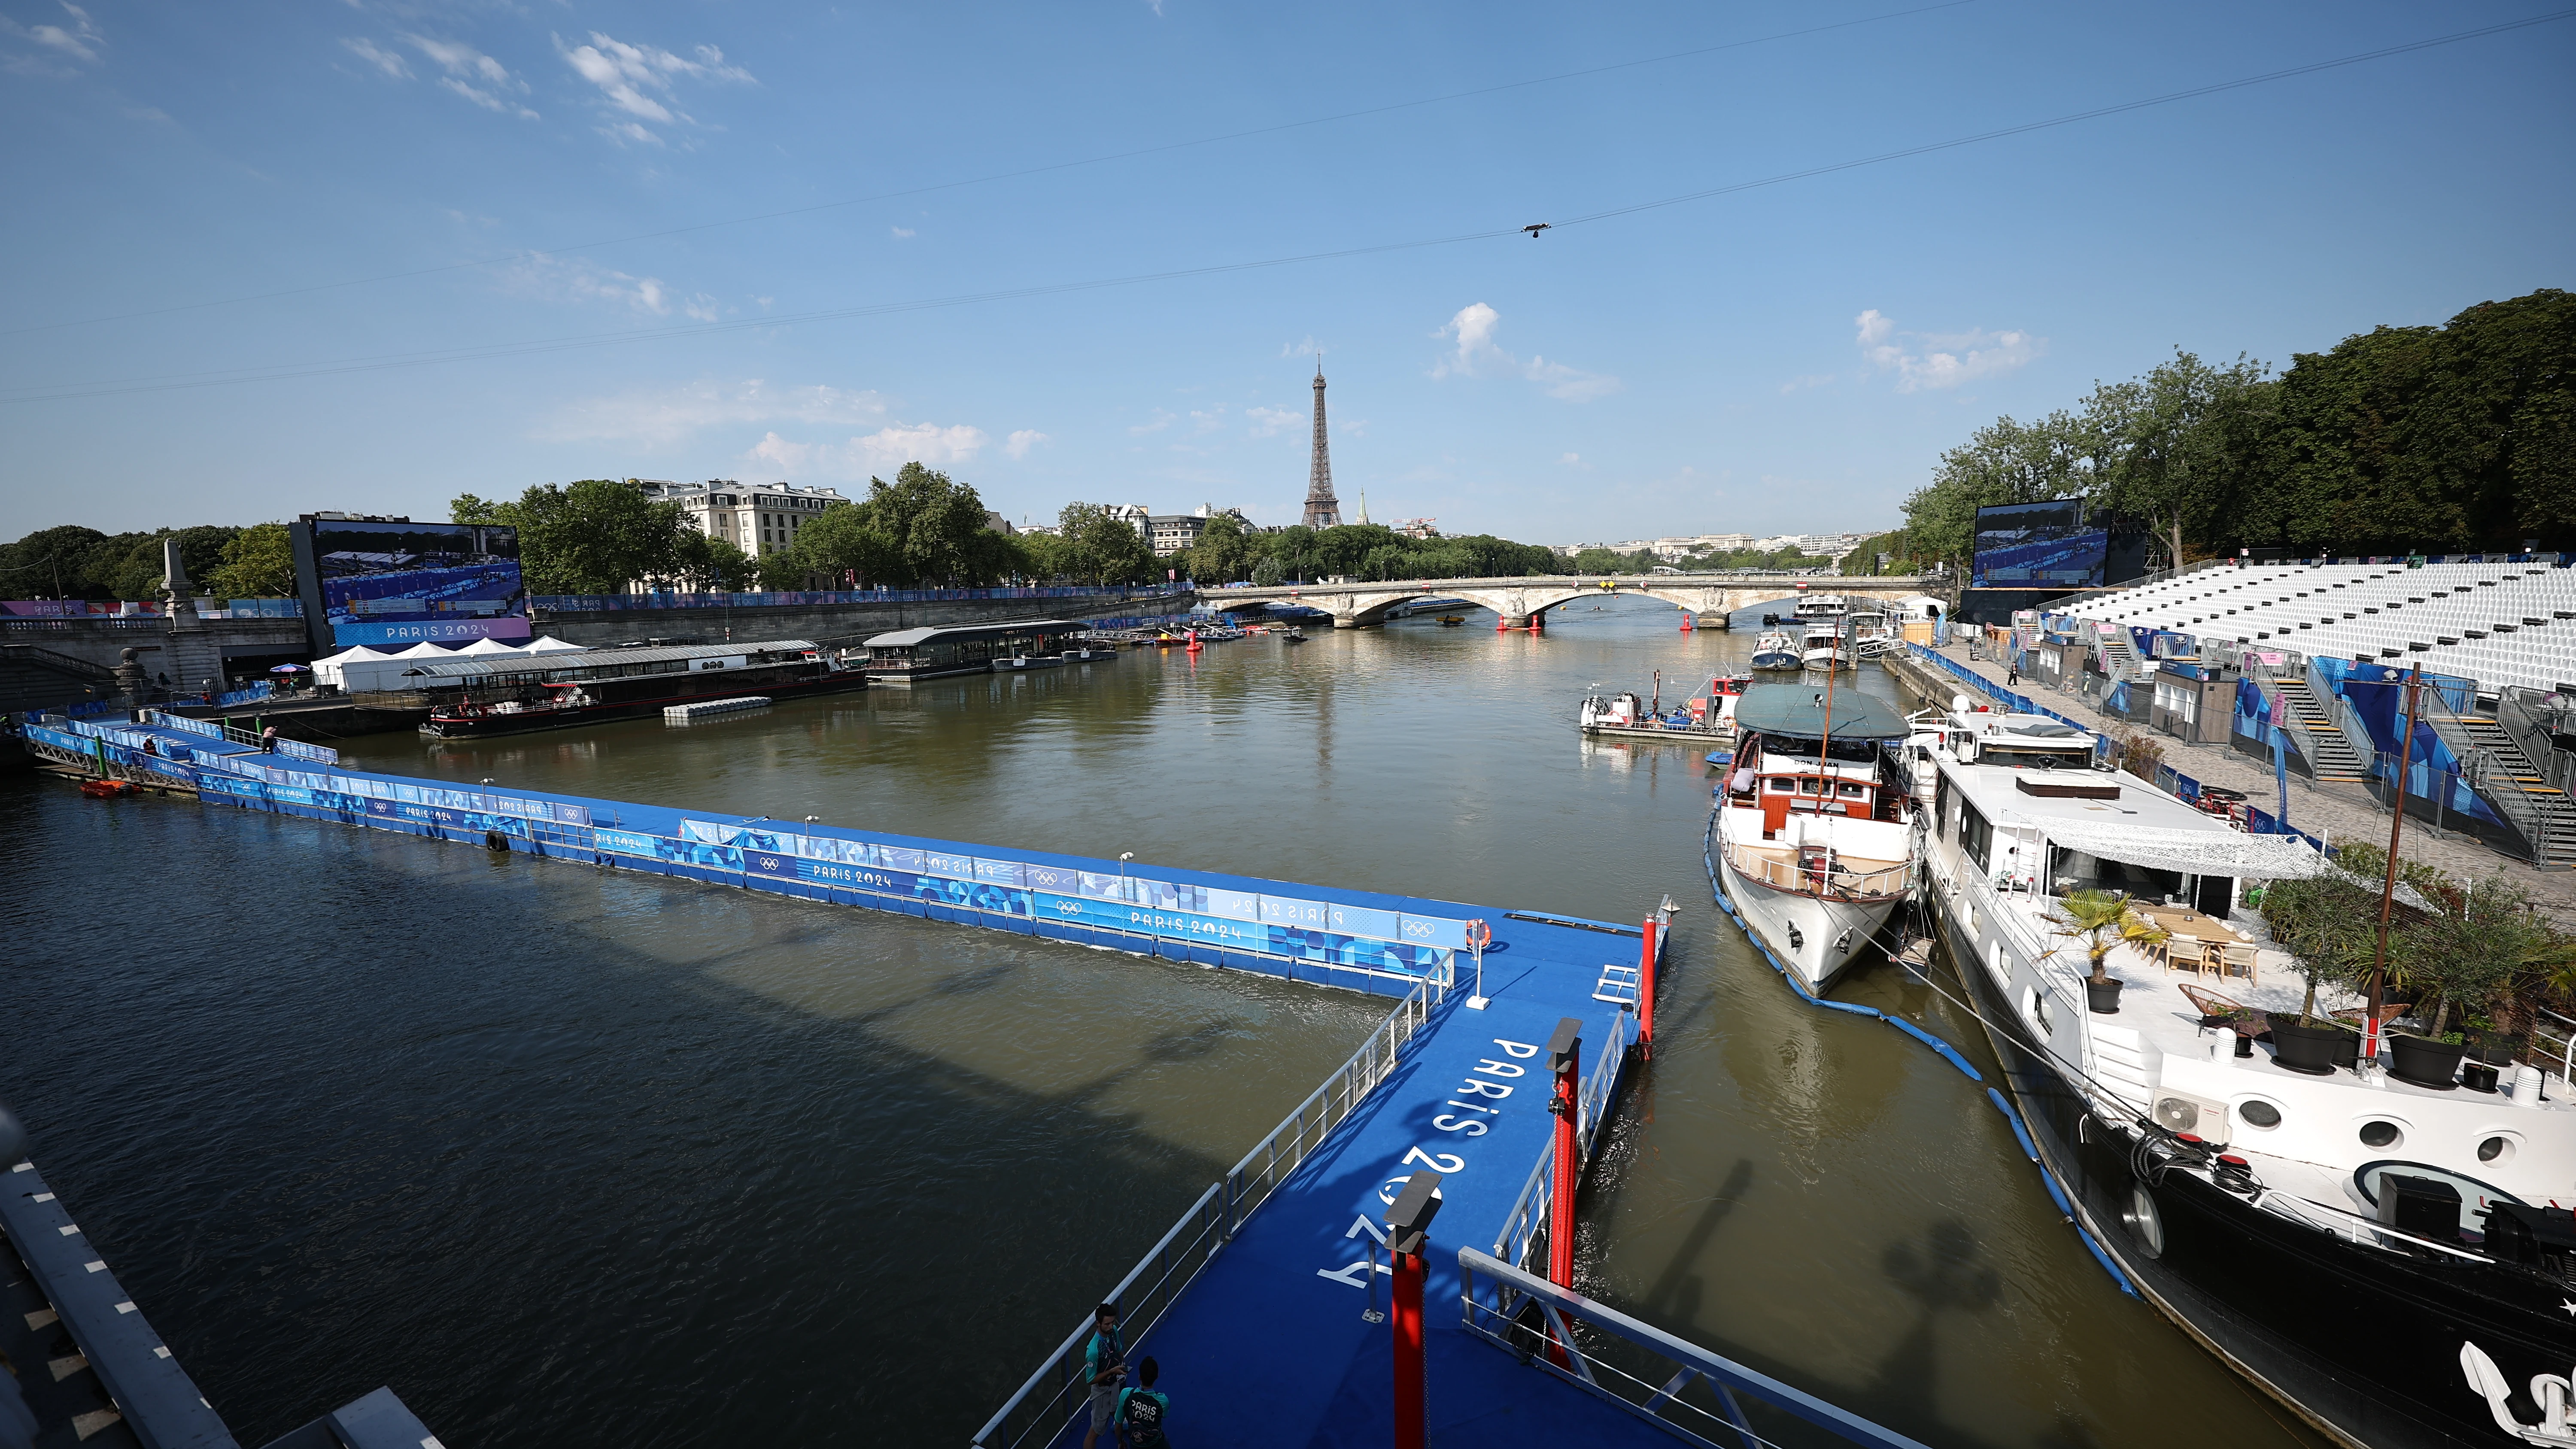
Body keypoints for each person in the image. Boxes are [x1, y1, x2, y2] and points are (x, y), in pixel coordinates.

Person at [1080, 1303, 1125, 1449]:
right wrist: (1112, 1372)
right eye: (1107, 1324)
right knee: (1095, 1432)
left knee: (1117, 1408)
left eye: (1113, 1322)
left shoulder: (1114, 1331)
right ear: (1098, 1324)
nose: (1111, 1327)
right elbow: (1090, 1380)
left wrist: (1122, 1367)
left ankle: (1119, 1425)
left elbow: (1119, 1350)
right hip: (1102, 1392)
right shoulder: (1093, 1351)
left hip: (1116, 1382)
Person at [1115, 1357, 1169, 1448]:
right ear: (1157, 1376)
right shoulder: (1163, 1401)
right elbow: (1164, 1415)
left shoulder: (1126, 1394)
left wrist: (1121, 1441)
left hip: (1136, 1445)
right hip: (1156, 1444)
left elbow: (1118, 1425)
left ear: (1139, 1377)